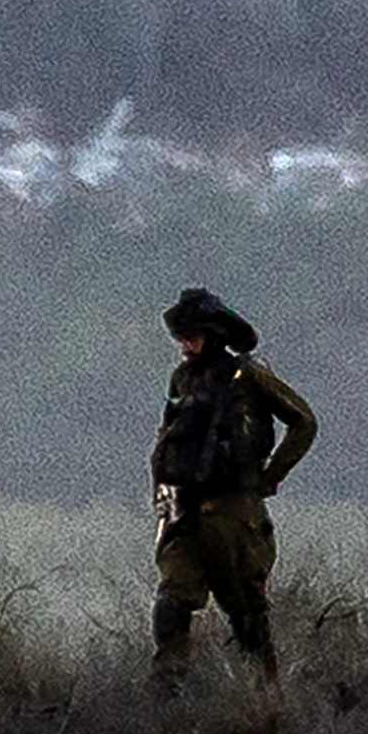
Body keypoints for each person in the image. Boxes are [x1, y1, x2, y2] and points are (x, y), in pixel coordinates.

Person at [147, 287, 318, 683]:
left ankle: (264, 704)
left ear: (212, 335)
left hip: (234, 513)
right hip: (185, 512)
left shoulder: (248, 375)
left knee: (247, 616)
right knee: (171, 605)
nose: (184, 345)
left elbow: (304, 422)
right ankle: (166, 702)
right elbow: (168, 437)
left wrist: (270, 478)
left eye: (192, 336)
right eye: (182, 337)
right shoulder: (182, 380)